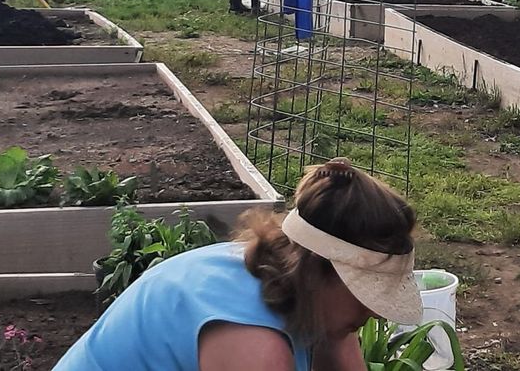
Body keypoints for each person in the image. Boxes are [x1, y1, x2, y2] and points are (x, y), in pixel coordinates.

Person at [53, 158, 422, 371]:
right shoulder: (255, 349)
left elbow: (338, 353)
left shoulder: (280, 277)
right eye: (363, 290)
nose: (374, 310)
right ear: (317, 269)